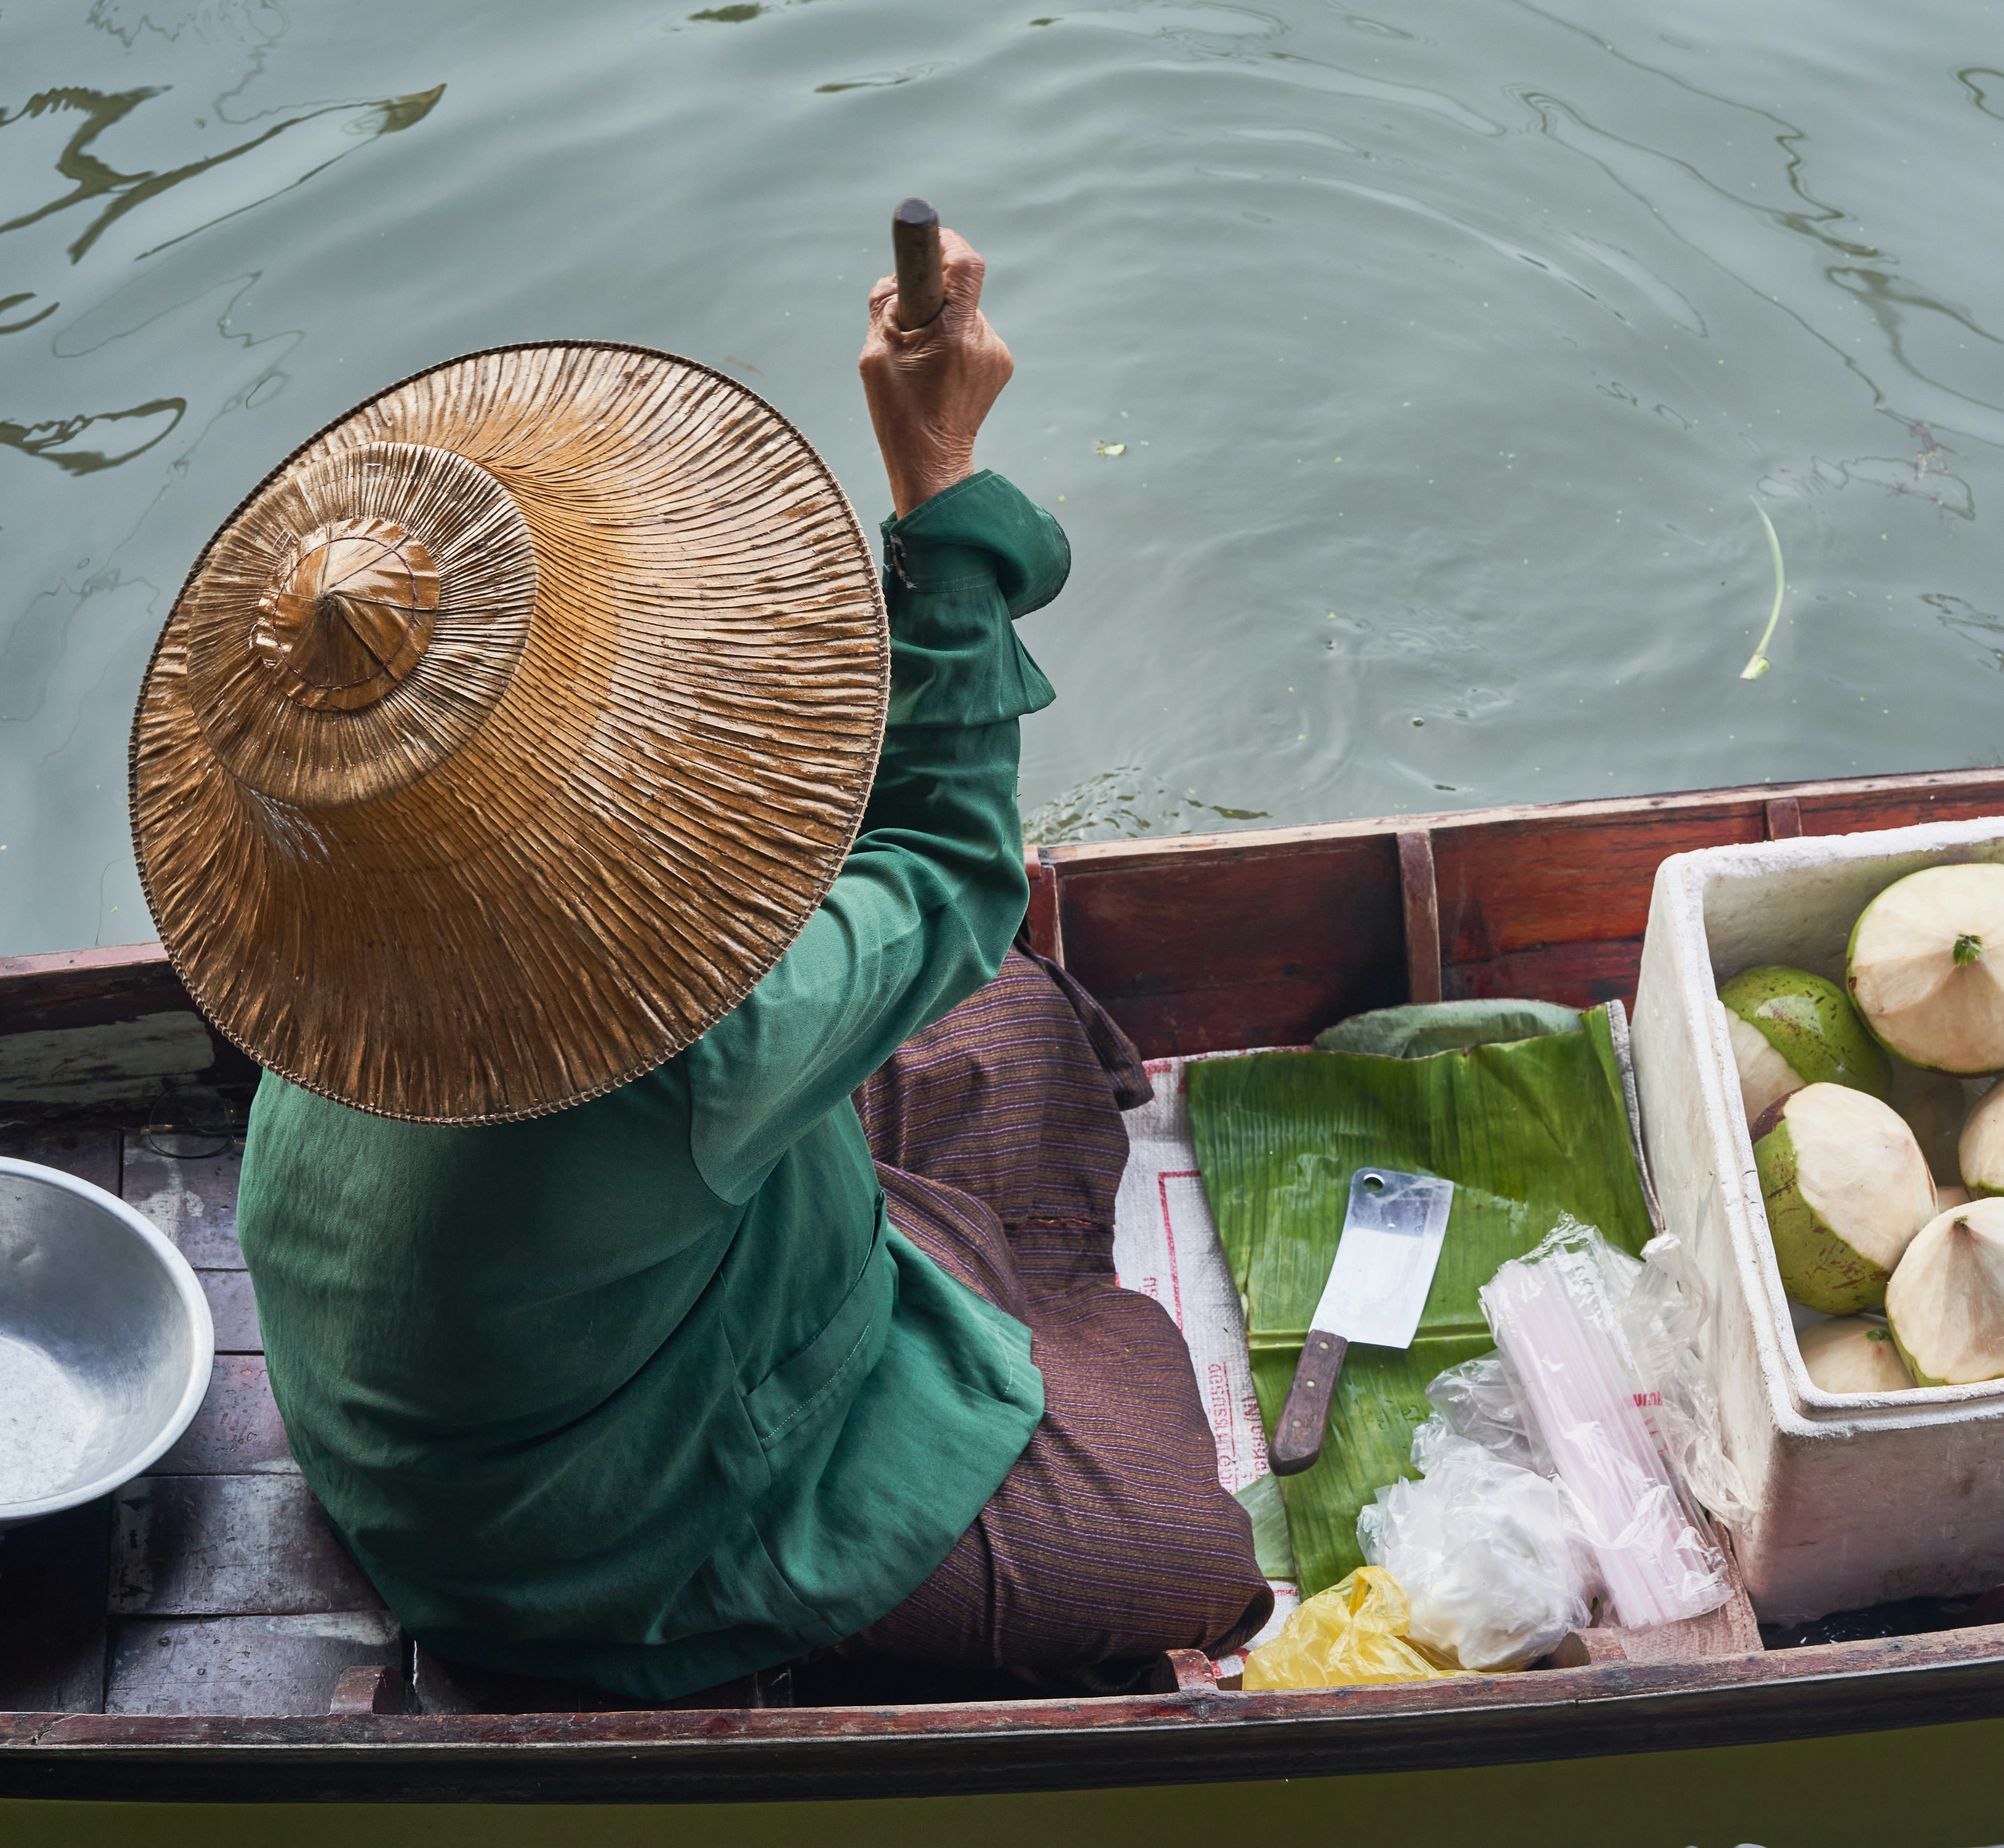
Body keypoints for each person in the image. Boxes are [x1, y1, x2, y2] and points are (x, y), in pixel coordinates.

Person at [219, 233, 1272, 1700]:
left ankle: (970, 1314)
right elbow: (954, 866)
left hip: (513, 1360)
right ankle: (1000, 1375)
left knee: (1008, 1018)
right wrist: (936, 478)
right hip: (590, 1545)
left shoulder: (340, 921)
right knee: (1189, 1554)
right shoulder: (688, 1051)